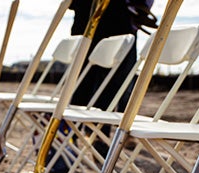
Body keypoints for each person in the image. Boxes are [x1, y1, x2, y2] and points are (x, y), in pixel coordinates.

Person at [67, 0, 156, 159]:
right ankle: (71, 136)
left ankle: (96, 136)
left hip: (117, 16)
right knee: (83, 80)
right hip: (90, 13)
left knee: (112, 83)